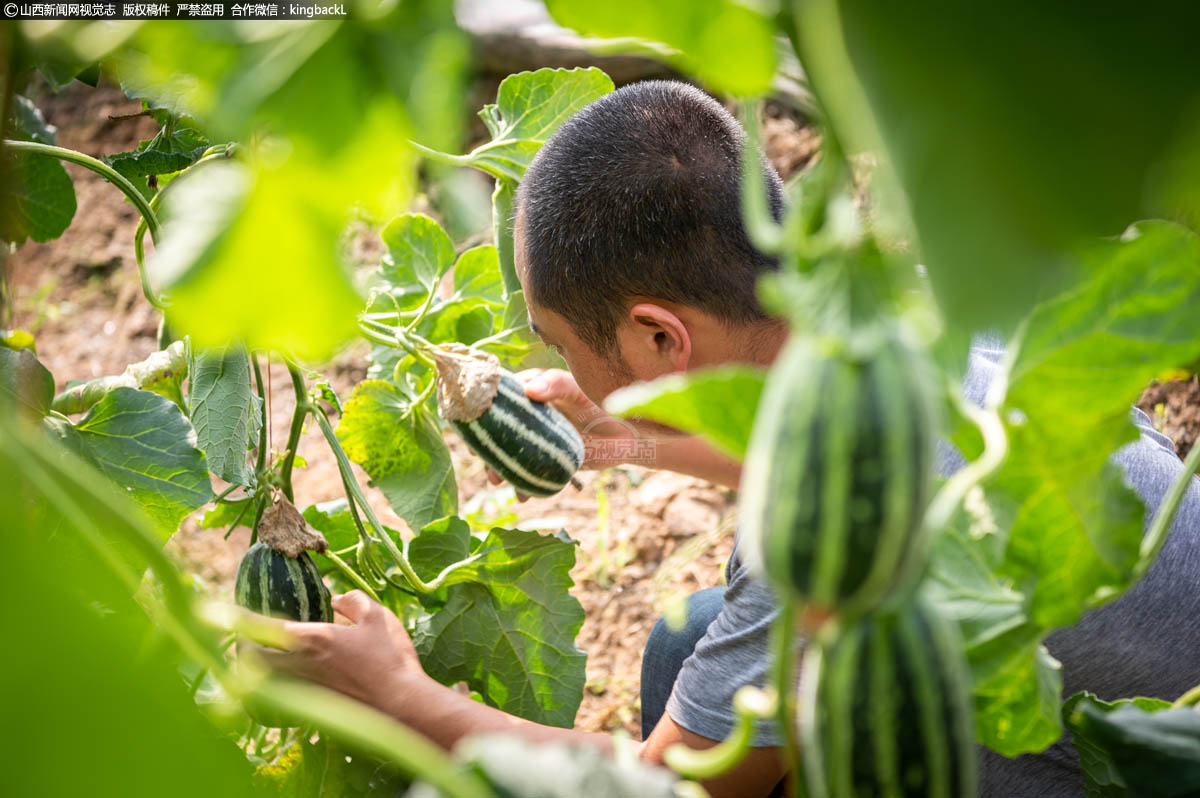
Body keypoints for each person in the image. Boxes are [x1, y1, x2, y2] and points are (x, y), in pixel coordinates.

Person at [260, 80, 1200, 797]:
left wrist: (398, 695)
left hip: (1137, 765)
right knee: (691, 648)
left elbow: (669, 788)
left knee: (718, 709)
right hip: (1145, 674)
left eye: (560, 342)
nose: (560, 364)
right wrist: (624, 442)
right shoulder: (902, 295)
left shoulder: (820, 536)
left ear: (659, 337)